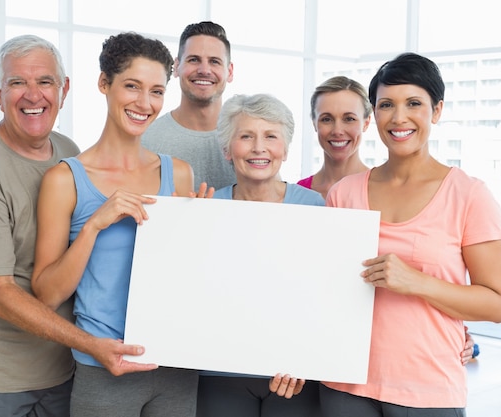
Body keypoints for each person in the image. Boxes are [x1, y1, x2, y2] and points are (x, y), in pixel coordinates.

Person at [0, 34, 151, 417]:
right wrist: (91, 344)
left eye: (45, 82)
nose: (33, 95)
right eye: (18, 82)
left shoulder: (70, 155)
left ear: (64, 89)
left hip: (59, 372)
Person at [321, 53, 501, 416]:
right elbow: (326, 289)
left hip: (428, 389)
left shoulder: (469, 195)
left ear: (436, 111)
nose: (399, 117)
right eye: (386, 105)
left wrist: (416, 282)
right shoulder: (343, 194)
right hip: (343, 385)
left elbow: (498, 303)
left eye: (414, 103)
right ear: (373, 114)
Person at [31, 32, 198, 417]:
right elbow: (47, 295)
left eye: (156, 91)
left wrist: (200, 232)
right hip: (104, 366)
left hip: (175, 364)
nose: (144, 103)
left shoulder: (181, 175)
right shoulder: (65, 180)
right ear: (104, 84)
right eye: (132, 86)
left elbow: (187, 278)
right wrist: (94, 225)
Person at [298, 75, 477, 364]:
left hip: (387, 357)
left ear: (367, 122)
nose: (338, 130)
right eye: (327, 119)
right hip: (322, 349)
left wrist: (460, 334)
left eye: (349, 118)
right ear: (314, 123)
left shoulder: (389, 192)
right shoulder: (296, 197)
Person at [196, 93, 323, 417]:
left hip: (293, 375)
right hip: (220, 371)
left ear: (286, 148)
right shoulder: (205, 209)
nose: (258, 147)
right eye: (246, 136)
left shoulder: (315, 208)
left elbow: (323, 298)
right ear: (227, 149)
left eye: (270, 136)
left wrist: (306, 359)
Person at [142, 21, 236, 190]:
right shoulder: (146, 140)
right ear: (176, 67)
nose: (204, 70)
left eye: (214, 61)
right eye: (194, 60)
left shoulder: (247, 142)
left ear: (229, 72)